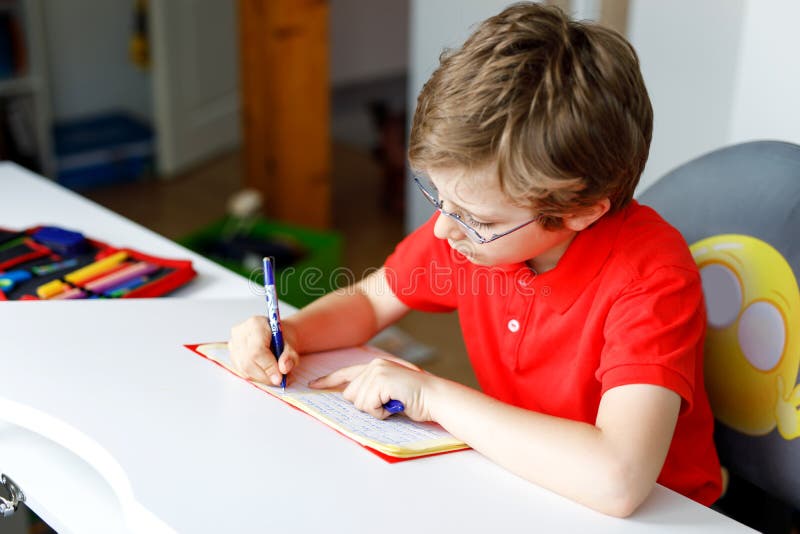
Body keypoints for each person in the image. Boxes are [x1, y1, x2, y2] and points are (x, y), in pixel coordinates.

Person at [229, 2, 722, 517]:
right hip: (521, 481)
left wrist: (433, 397)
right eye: (439, 199)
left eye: (476, 218)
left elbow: (617, 480)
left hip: (658, 515)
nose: (444, 229)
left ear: (579, 212)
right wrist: (293, 335)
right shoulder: (477, 234)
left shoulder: (651, 281)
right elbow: (370, 302)